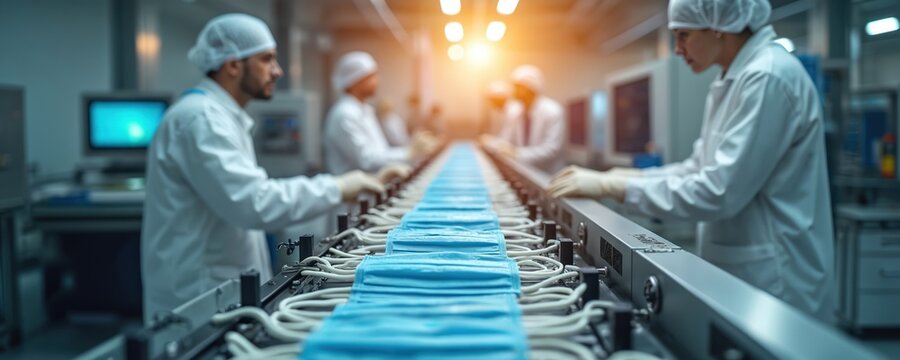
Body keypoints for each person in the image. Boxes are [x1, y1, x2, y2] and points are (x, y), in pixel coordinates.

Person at [547, 0, 834, 322]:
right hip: (744, 269)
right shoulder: (731, 78)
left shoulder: (767, 76)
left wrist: (617, 187)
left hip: (777, 277)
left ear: (719, 27)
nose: (677, 49)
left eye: (683, 36)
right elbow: (697, 167)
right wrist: (624, 178)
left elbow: (717, 191)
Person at [141, 14, 388, 324]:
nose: (278, 71)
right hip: (199, 298)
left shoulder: (217, 116)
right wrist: (336, 186)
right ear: (233, 65)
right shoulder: (200, 120)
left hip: (220, 290)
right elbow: (254, 202)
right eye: (267, 59)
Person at [324, 51, 435, 175]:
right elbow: (366, 159)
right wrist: (409, 152)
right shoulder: (345, 115)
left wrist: (410, 150)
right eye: (371, 77)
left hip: (372, 186)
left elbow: (380, 152)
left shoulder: (364, 110)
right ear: (354, 81)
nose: (377, 81)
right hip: (356, 193)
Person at [482, 65, 564, 174]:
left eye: (517, 87)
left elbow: (551, 150)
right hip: (525, 170)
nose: (513, 91)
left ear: (530, 88)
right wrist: (491, 143)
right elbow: (505, 142)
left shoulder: (552, 110)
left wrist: (517, 153)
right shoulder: (517, 112)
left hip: (547, 174)